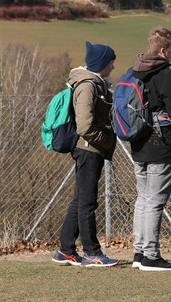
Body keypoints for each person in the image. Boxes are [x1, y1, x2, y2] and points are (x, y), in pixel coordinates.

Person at [53, 41, 119, 268]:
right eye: (111, 62)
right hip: (88, 149)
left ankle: (66, 250)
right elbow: (85, 126)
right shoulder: (88, 86)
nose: (112, 66)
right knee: (88, 202)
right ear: (102, 63)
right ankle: (92, 252)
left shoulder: (92, 83)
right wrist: (106, 141)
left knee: (80, 200)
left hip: (88, 148)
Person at [131, 27, 171, 272]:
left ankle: (140, 251)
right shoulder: (164, 74)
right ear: (163, 51)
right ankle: (151, 256)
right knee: (155, 202)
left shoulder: (136, 71)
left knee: (142, 199)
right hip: (161, 147)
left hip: (139, 144)